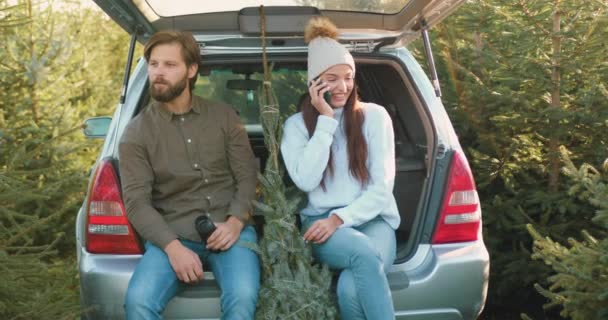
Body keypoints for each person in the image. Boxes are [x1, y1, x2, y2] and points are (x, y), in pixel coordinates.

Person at [119, 31, 260, 320]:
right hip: (173, 234)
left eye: (169, 65)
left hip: (231, 231)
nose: (159, 73)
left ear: (191, 70)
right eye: (154, 64)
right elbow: (136, 203)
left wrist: (235, 223)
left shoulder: (224, 117)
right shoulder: (136, 133)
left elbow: (247, 176)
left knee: (243, 298)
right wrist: (173, 249)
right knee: (138, 302)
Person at [280, 17, 400, 320]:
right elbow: (306, 180)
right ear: (314, 83)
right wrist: (326, 122)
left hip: (373, 221)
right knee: (362, 254)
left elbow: (381, 189)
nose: (343, 86)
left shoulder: (375, 117)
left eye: (348, 77)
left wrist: (340, 218)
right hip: (320, 225)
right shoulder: (296, 127)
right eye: (331, 78)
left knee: (349, 289)